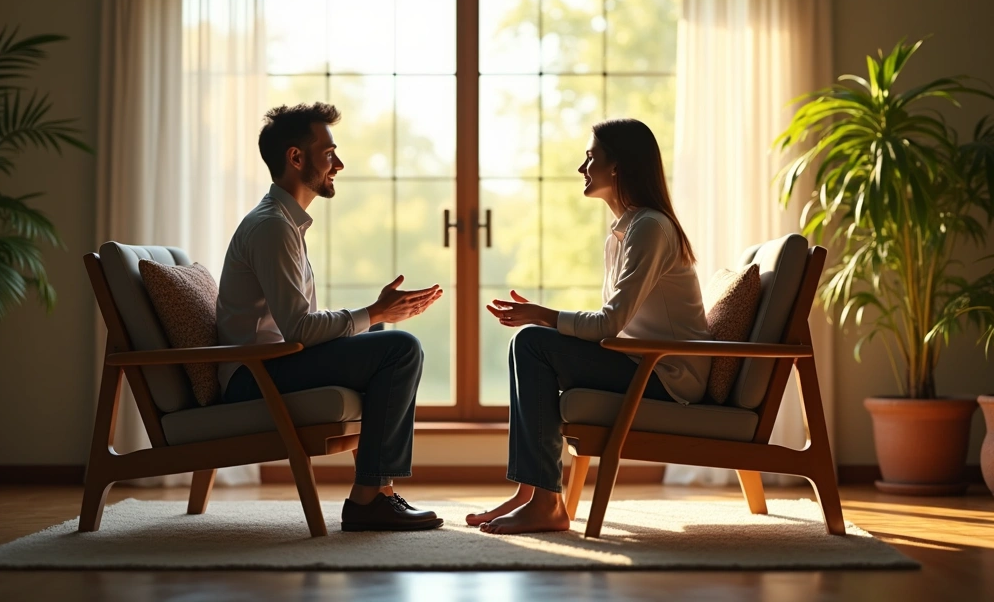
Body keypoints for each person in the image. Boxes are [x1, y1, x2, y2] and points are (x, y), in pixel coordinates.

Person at [467, 118, 711, 534]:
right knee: (530, 344)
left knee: (530, 342)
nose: (583, 168)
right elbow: (613, 325)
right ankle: (533, 494)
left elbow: (609, 323)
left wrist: (544, 318)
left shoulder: (650, 228)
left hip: (666, 376)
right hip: (639, 363)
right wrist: (545, 323)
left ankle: (543, 501)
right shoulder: (624, 231)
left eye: (591, 158)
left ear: (617, 167)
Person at [217, 102, 445, 532]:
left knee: (380, 335)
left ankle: (379, 492)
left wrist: (373, 316)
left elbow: (296, 328)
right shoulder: (272, 228)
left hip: (270, 365)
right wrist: (375, 311)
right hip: (254, 378)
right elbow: (300, 329)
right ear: (296, 158)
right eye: (329, 153)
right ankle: (367, 499)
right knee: (401, 347)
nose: (338, 164)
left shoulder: (284, 223)